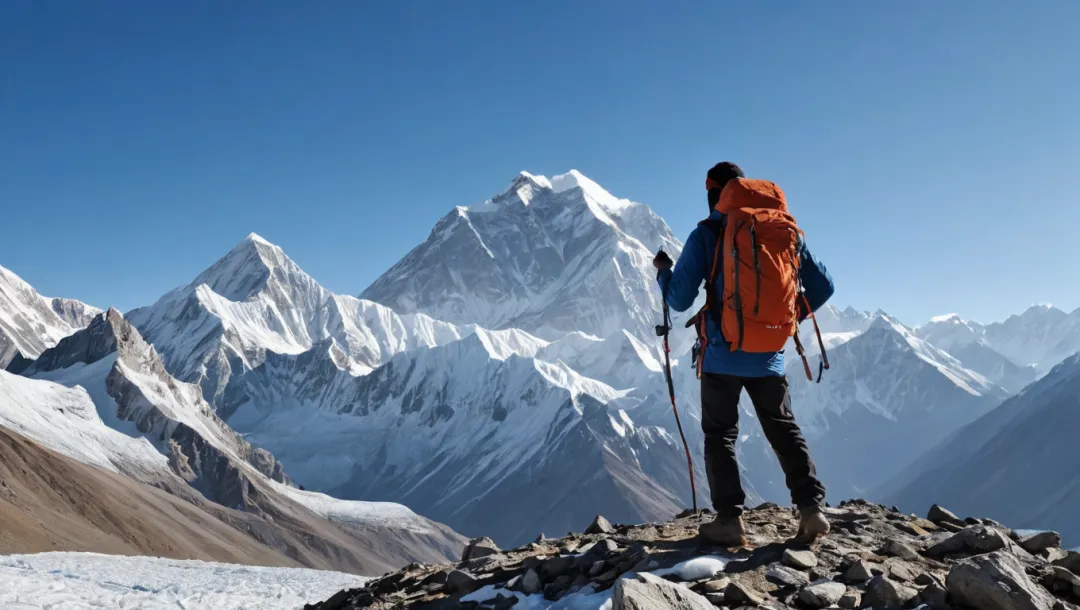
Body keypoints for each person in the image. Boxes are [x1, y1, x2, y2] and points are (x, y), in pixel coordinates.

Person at [653, 161, 834, 546]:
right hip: (770, 353)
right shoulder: (782, 230)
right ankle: (811, 509)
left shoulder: (707, 234)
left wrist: (663, 273)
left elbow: (679, 299)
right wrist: (787, 320)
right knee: (783, 428)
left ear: (713, 193)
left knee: (720, 434)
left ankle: (730, 521)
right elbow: (824, 286)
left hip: (722, 353)